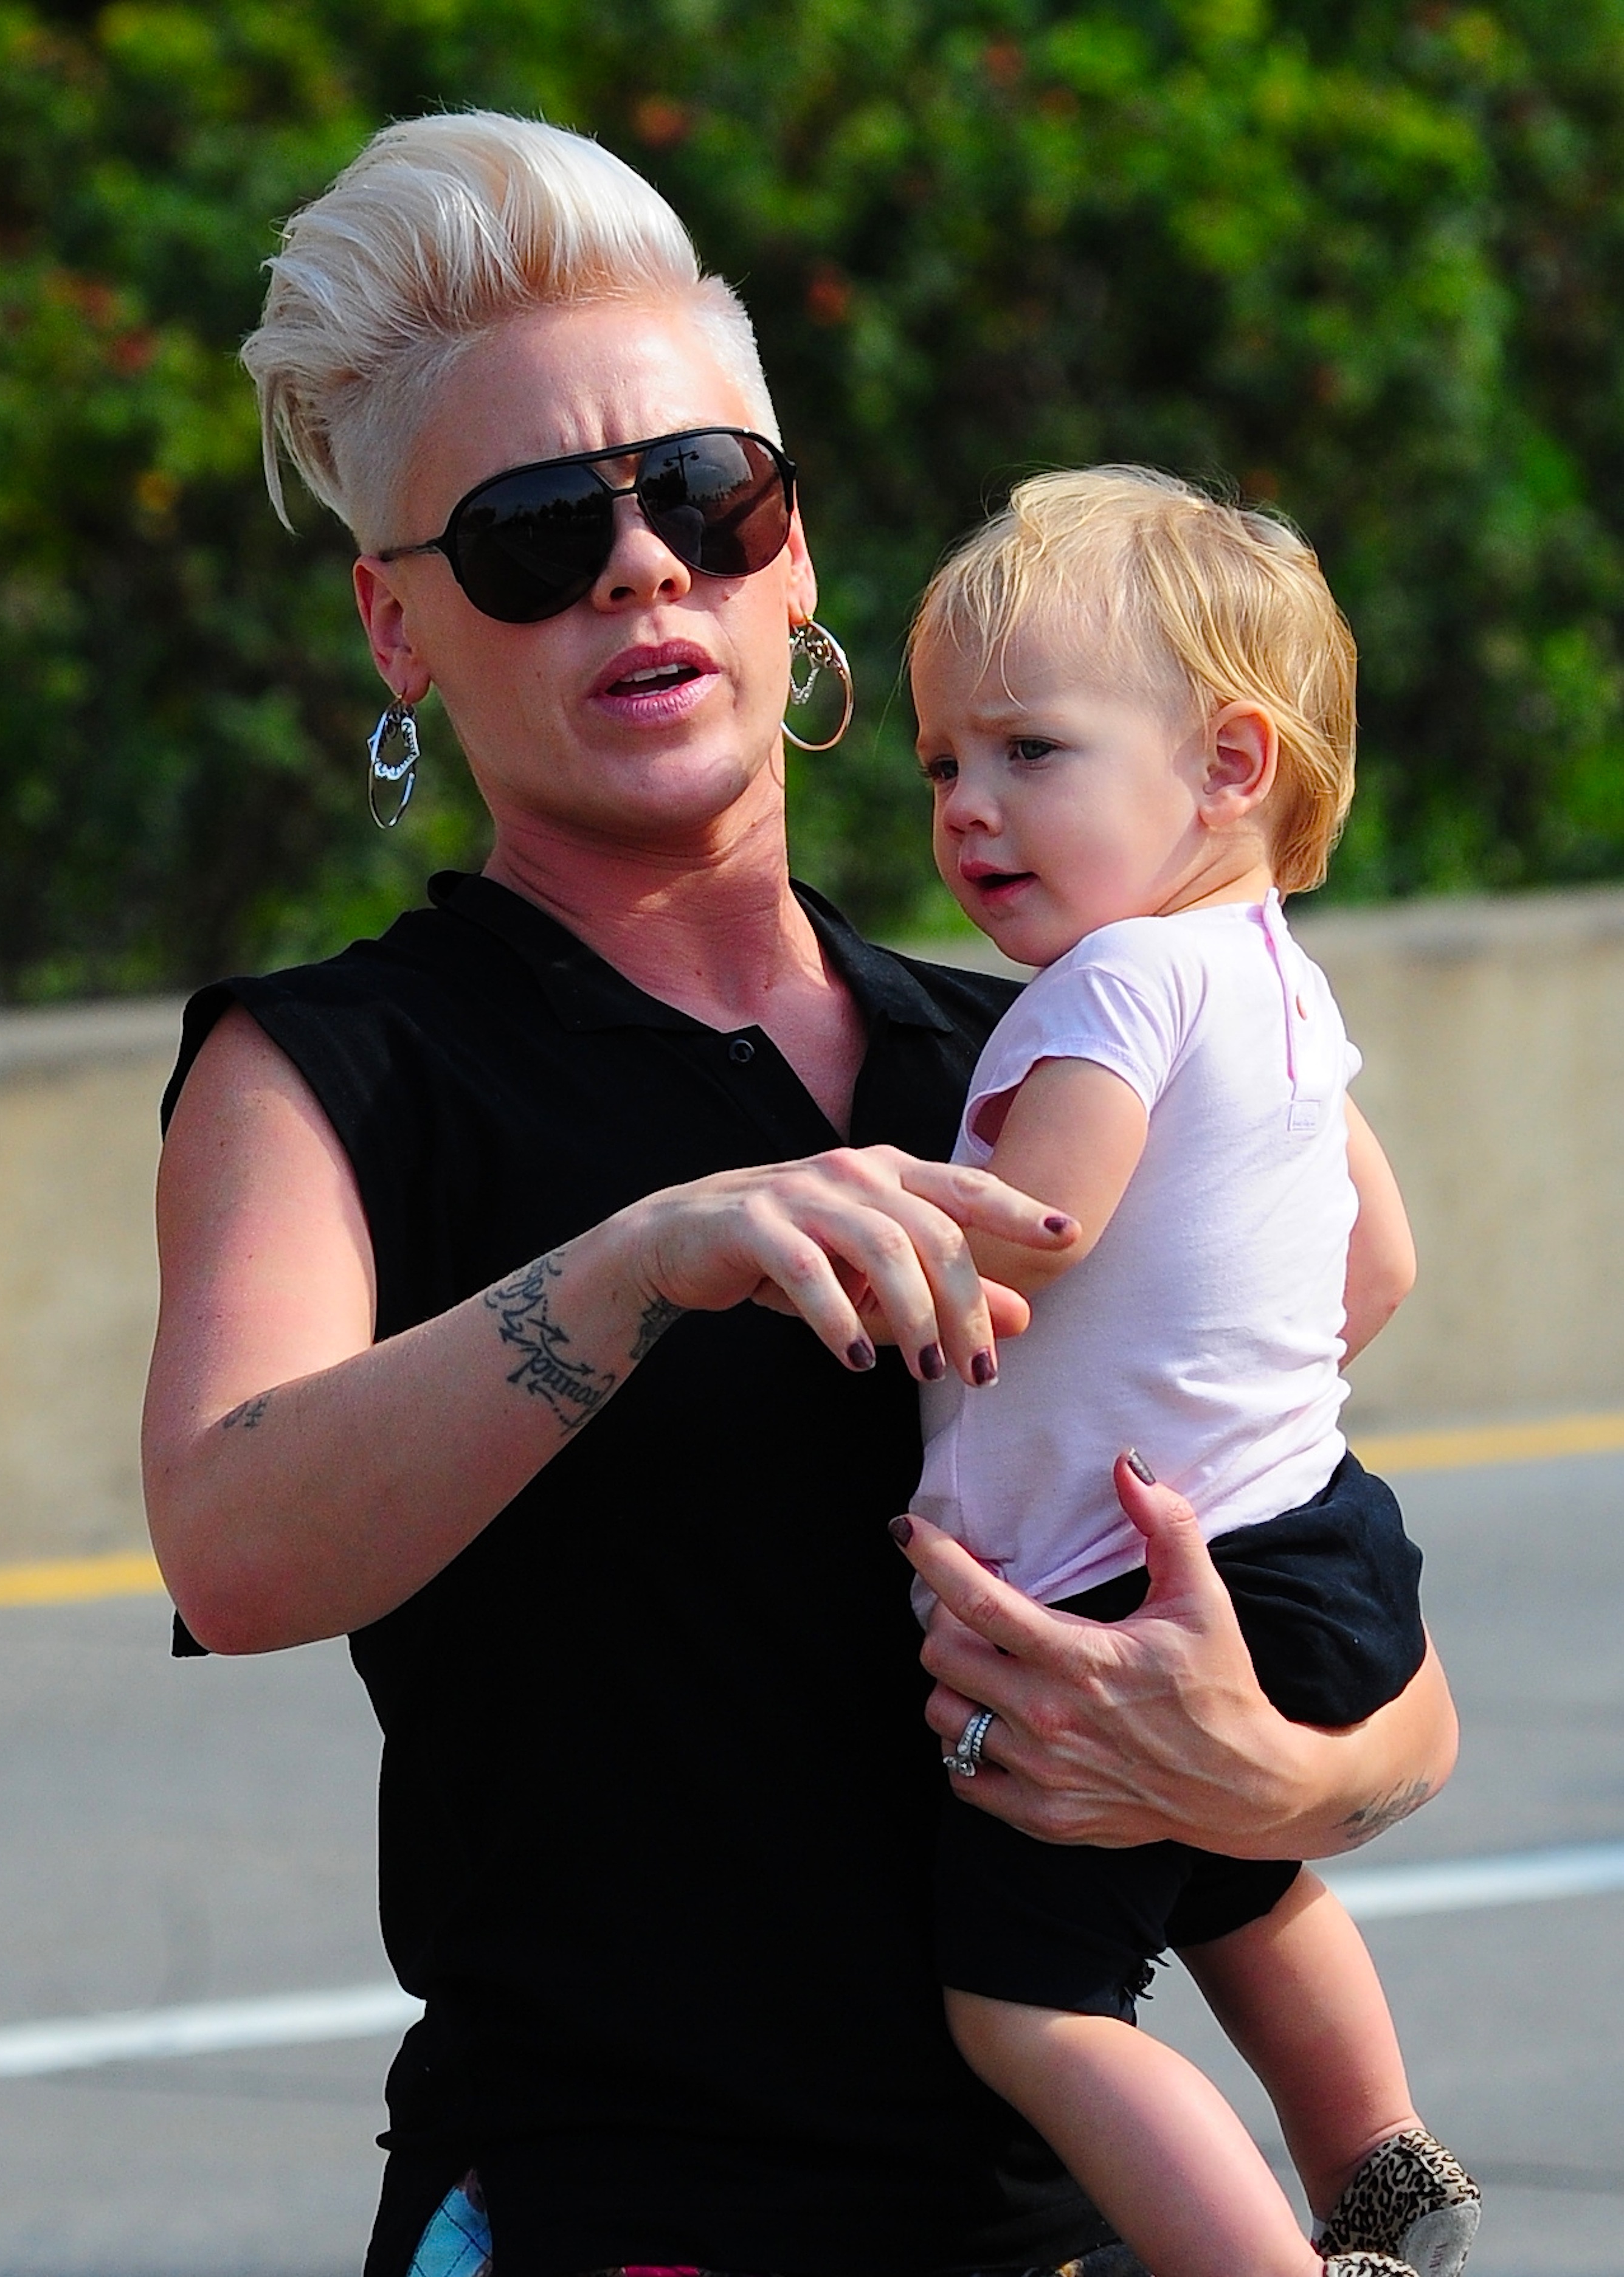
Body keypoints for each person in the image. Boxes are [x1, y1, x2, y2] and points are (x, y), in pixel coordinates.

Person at [140, 112, 1459, 2277]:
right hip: (624, 2213)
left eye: (704, 496)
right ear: (399, 630)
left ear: (799, 559)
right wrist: (645, 1262)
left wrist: (1270, 1775)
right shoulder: (339, 1067)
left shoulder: (1039, 1054)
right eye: (534, 534)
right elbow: (237, 1534)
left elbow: (1339, 1584)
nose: (644, 568)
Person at [897, 467, 1479, 2277]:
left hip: (1134, 1585)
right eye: (938, 766)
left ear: (1230, 764)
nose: (969, 808)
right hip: (1312, 1540)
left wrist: (879, 1246)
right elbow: (1371, 1264)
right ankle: (1382, 2165)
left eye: (1028, 752)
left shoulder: (1102, 988)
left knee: (1030, 2009)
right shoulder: (1276, 981)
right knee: (1245, 1882)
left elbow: (1040, 1232)